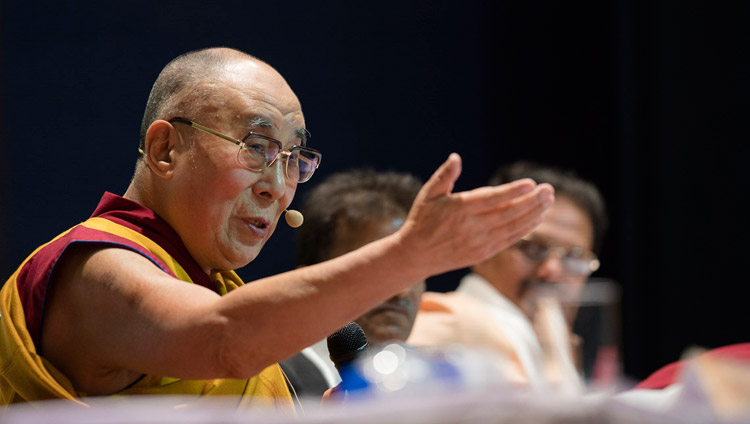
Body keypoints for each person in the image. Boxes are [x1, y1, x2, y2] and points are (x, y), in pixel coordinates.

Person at [0, 47, 554, 410]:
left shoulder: (211, 283)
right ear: (165, 148)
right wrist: (410, 256)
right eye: (257, 147)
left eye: (294, 158)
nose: (277, 185)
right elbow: (222, 340)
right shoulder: (94, 267)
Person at [408, 161, 607, 390]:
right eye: (533, 248)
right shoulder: (451, 318)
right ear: (481, 245)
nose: (552, 271)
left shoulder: (558, 339)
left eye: (573, 257)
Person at [279, 169, 425, 398]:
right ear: (309, 280)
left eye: (413, 270)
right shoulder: (277, 382)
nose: (402, 290)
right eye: (377, 267)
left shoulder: (433, 383)